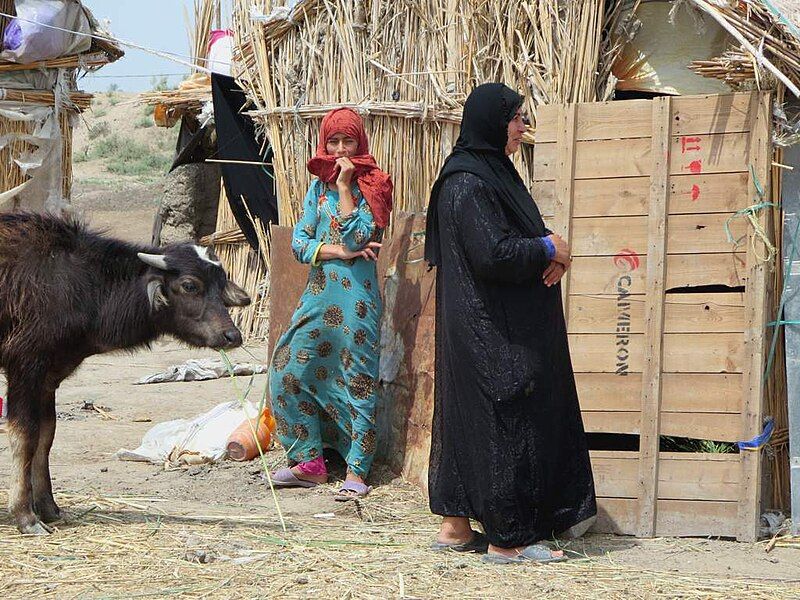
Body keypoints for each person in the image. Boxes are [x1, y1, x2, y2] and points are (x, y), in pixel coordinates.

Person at [424, 83, 596, 563]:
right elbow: (493, 253)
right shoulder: (468, 182)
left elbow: (523, 233)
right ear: (492, 122)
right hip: (491, 330)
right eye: (516, 118)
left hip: (489, 322)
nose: (522, 127)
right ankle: (509, 539)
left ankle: (456, 528)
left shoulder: (492, 173)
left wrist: (552, 251)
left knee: (469, 418)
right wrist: (547, 248)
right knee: (506, 417)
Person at [269, 107, 392, 500]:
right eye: (334, 141)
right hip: (320, 294)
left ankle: (357, 470)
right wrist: (337, 251)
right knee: (286, 366)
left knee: (357, 379)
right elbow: (300, 244)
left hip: (357, 301)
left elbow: (361, 238)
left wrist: (344, 188)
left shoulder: (375, 185)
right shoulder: (314, 189)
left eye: (348, 141)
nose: (340, 149)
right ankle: (310, 462)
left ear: (361, 143)